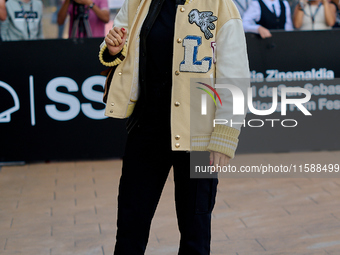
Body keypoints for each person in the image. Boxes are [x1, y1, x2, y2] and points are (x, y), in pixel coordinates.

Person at [99, 0, 250, 254]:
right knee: (130, 228)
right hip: (146, 129)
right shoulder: (137, 2)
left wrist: (226, 134)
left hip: (198, 137)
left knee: (195, 233)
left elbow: (235, 73)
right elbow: (116, 49)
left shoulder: (219, 4)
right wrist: (112, 49)